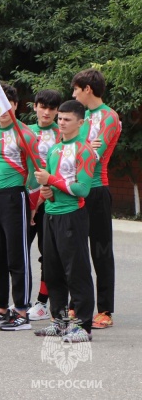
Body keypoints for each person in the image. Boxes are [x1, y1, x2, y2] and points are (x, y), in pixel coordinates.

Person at [0, 83, 41, 331]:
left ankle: (21, 311)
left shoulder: (25, 134)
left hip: (16, 197)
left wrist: (32, 204)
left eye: (8, 105)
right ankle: (0, 309)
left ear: (14, 105)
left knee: (17, 256)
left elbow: (36, 170)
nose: (3, 110)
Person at [33, 100, 96, 343]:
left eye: (67, 119)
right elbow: (48, 186)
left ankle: (83, 326)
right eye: (60, 118)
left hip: (72, 216)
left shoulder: (84, 150)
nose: (61, 122)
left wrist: (52, 180)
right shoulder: (54, 150)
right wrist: (46, 191)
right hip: (50, 215)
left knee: (76, 271)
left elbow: (82, 189)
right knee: (53, 270)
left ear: (80, 123)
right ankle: (59, 321)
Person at [71, 68, 122, 330]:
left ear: (87, 89)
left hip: (97, 189)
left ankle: (104, 310)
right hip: (76, 189)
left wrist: (77, 148)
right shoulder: (79, 116)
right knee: (75, 250)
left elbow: (94, 155)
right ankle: (78, 304)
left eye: (76, 90)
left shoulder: (109, 117)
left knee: (100, 251)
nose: (73, 94)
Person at [26, 89, 62, 321]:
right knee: (17, 252)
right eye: (42, 106)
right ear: (35, 106)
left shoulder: (63, 133)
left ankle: (42, 303)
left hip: (51, 199)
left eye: (51, 108)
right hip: (25, 198)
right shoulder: (25, 132)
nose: (46, 112)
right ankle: (20, 301)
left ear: (57, 110)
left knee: (48, 254)